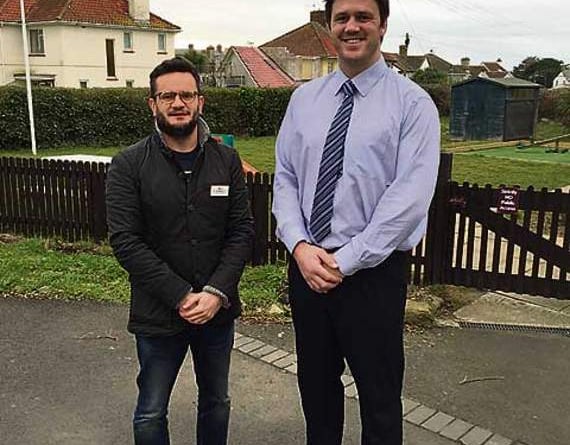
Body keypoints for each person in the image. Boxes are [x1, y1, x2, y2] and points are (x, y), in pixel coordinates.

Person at [272, 0, 441, 444]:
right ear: (330, 26)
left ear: (382, 26)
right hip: (308, 269)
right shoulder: (303, 100)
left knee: (379, 399)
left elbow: (408, 197)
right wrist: (299, 246)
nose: (352, 27)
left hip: (373, 274)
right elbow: (285, 178)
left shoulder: (413, 105)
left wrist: (346, 260)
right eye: (342, 18)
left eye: (363, 17)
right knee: (316, 393)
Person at [106, 57, 254, 445]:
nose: (178, 103)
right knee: (151, 412)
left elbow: (241, 231)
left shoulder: (226, 160)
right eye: (167, 95)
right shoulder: (128, 164)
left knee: (216, 402)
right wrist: (182, 295)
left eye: (186, 95)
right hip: (157, 314)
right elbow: (126, 241)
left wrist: (215, 293)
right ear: (152, 104)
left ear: (200, 101)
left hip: (216, 313)